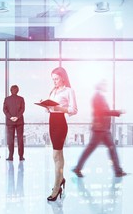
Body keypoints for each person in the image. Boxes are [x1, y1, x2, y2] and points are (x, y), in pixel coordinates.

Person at [72, 80, 127, 177]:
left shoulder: (99, 97)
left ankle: (118, 171)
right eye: (104, 85)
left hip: (103, 129)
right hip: (100, 129)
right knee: (94, 148)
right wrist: (117, 112)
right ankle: (78, 168)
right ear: (100, 86)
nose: (106, 87)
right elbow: (103, 111)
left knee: (110, 148)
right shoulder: (97, 97)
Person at [46, 67, 77, 201]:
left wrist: (59, 108)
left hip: (60, 123)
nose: (54, 81)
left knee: (56, 154)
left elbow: (73, 109)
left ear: (63, 78)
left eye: (57, 79)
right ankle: (61, 178)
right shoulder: (53, 91)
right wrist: (47, 107)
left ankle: (57, 186)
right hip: (51, 122)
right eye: (53, 79)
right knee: (57, 155)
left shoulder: (69, 91)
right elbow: (51, 110)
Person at [3, 85, 25, 161]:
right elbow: (22, 109)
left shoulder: (7, 99)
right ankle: (21, 157)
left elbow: (4, 110)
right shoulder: (21, 99)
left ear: (10, 90)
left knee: (10, 139)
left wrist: (10, 117)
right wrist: (17, 117)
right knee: (20, 139)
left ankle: (10, 156)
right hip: (19, 121)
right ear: (18, 90)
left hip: (10, 122)